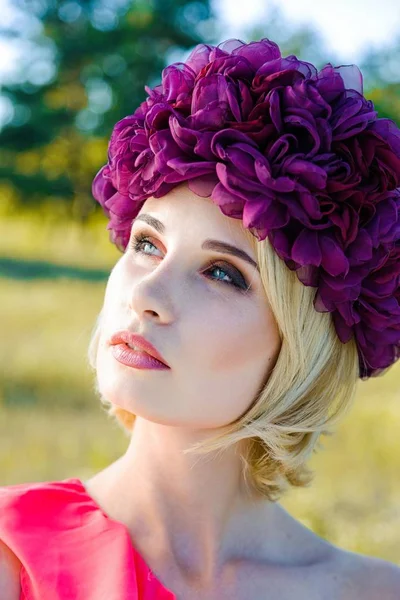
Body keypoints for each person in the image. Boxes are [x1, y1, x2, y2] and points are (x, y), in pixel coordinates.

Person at [1, 37, 400, 599]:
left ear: (302, 348)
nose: (148, 294)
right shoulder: (14, 554)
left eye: (223, 274)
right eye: (146, 244)